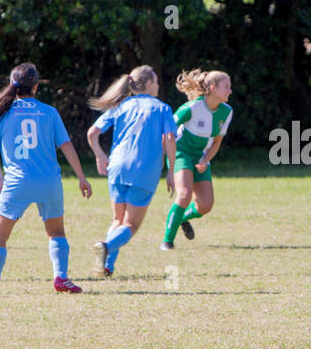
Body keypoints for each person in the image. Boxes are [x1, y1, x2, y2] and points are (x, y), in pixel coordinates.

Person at [0, 63, 92, 295]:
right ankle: (61, 278)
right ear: (36, 86)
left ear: (12, 85)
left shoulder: (3, 112)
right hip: (49, 182)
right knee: (57, 232)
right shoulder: (49, 112)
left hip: (17, 182)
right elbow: (66, 145)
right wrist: (81, 177)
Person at [86, 65, 177, 275]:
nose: (158, 85)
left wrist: (100, 156)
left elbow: (92, 133)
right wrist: (171, 171)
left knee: (117, 220)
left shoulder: (121, 105)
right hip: (144, 170)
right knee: (131, 225)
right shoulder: (162, 108)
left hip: (117, 167)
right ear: (147, 84)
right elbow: (170, 138)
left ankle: (107, 266)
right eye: (156, 81)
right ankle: (106, 247)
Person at [160, 69, 233, 250]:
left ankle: (181, 219)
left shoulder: (227, 112)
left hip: (199, 156)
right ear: (212, 87)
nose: (230, 91)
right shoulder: (191, 108)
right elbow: (167, 131)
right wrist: (164, 159)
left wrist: (205, 160)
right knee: (184, 195)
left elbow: (216, 142)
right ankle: (167, 241)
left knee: (206, 205)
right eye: (227, 87)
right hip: (180, 153)